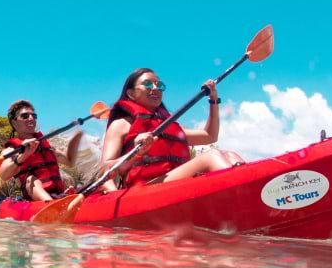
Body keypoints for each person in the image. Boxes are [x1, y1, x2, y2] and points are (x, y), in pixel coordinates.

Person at [98, 68, 244, 192]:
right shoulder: (121, 125)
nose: (155, 88)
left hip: (174, 185)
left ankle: (253, 191)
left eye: (159, 85)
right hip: (143, 191)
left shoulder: (168, 125)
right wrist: (135, 153)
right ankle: (244, 195)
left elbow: (210, 136)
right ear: (131, 94)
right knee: (212, 156)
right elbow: (104, 170)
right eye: (147, 84)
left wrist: (213, 100)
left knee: (230, 155)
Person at [0, 100, 81, 201]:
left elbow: (70, 161)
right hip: (32, 199)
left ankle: (58, 199)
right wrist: (23, 155)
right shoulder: (11, 150)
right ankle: (51, 205)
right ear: (14, 123)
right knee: (31, 180)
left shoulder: (47, 147)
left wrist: (76, 136)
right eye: (25, 116)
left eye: (34, 116)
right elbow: (4, 175)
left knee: (68, 183)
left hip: (57, 194)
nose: (31, 118)